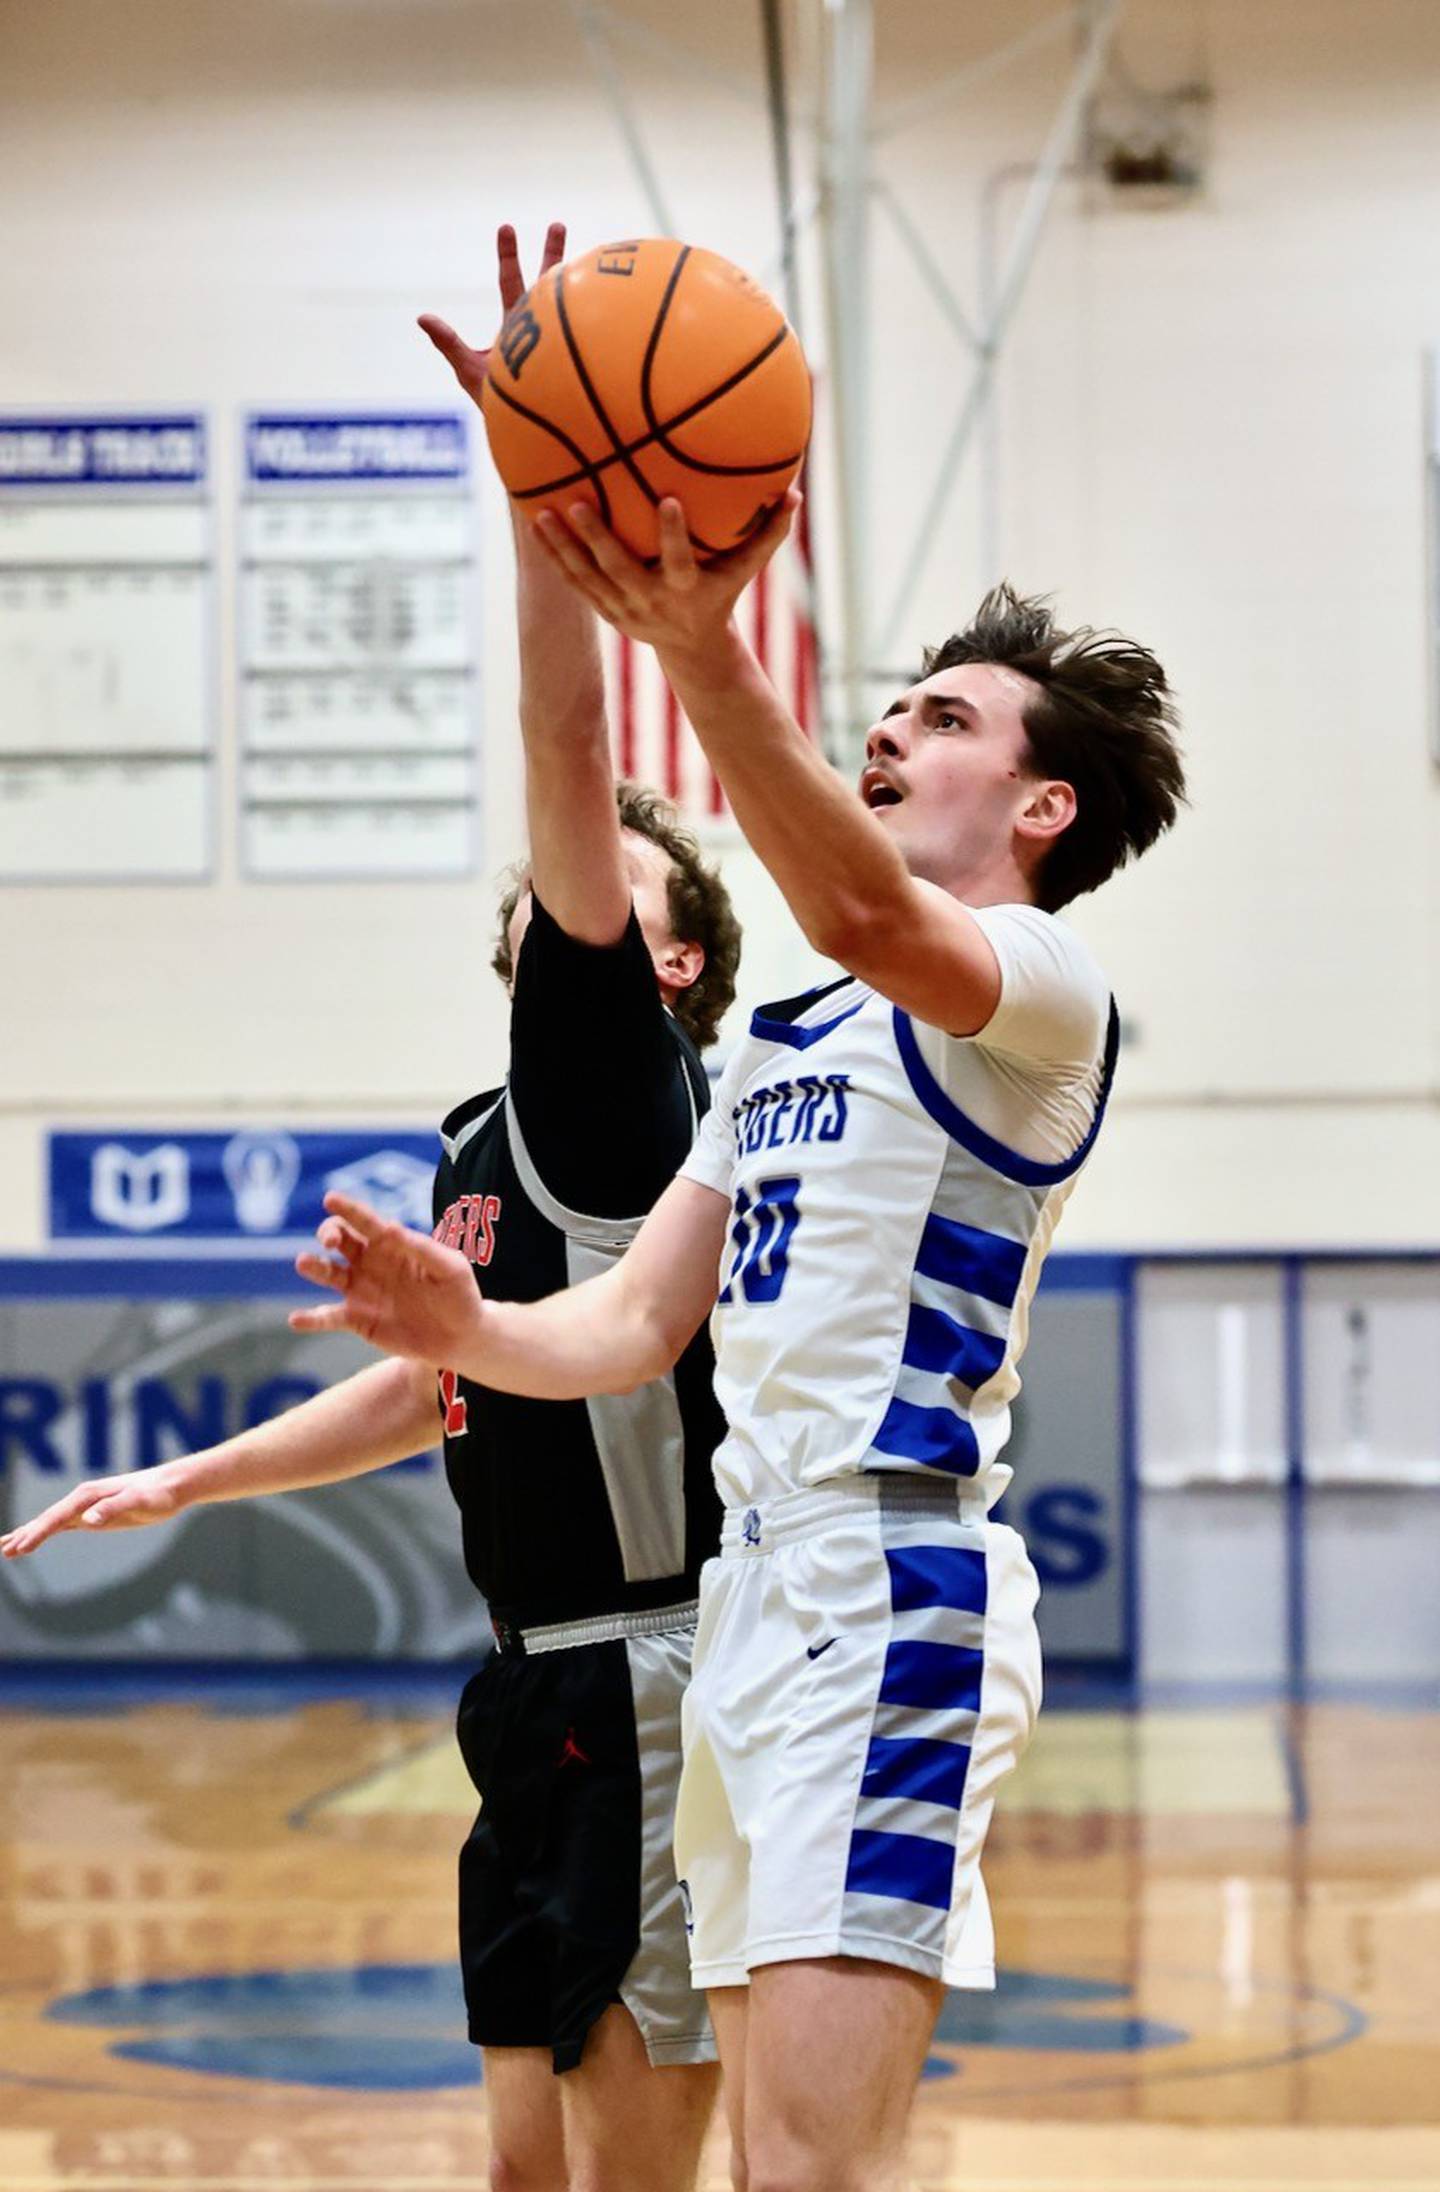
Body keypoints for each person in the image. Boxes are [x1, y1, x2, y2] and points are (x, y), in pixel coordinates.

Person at [258, 500, 1186, 2192]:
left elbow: (862, 913)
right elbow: (627, 1323)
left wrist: (696, 641)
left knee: (819, 2171)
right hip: (748, 1607)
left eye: (947, 716)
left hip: (892, 1585)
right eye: (900, 703)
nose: (896, 725)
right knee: (766, 2172)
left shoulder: (1046, 990)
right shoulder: (778, 1037)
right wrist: (469, 1324)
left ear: (1042, 808)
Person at [2, 233, 742, 2192]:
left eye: (610, 903)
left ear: (663, 968)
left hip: (644, 1662)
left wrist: (535, 497)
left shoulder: (625, 1102)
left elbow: (573, 757)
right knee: (518, 2170)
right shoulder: (490, 1136)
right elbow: (445, 1389)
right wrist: (191, 1479)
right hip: (530, 1683)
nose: (568, 897)